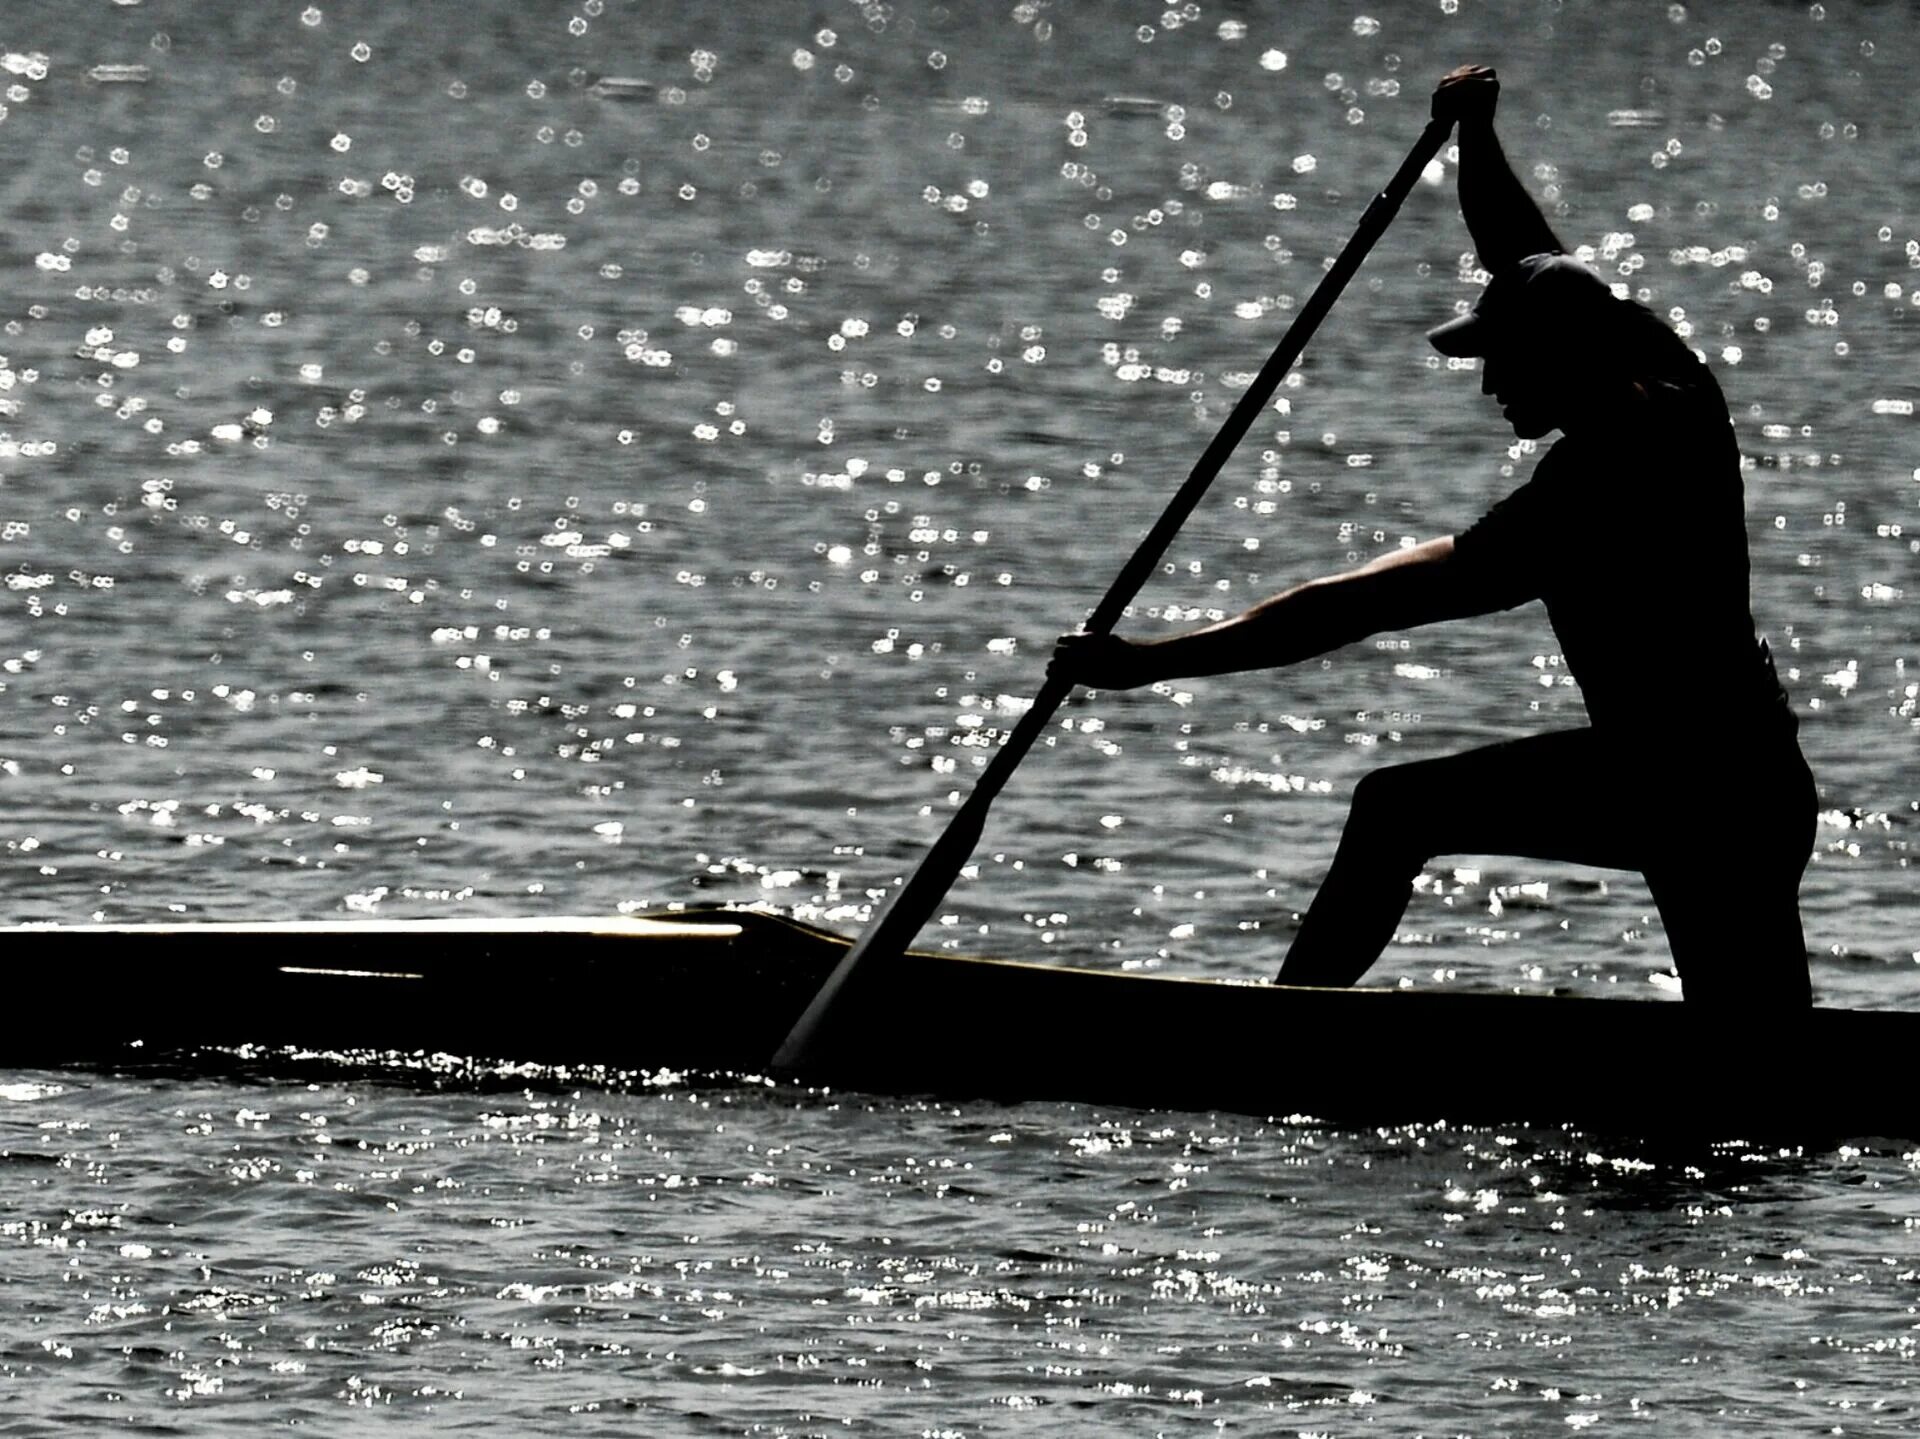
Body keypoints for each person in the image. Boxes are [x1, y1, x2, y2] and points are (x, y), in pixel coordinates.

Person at [1049, 66, 1817, 1011]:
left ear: (1562, 357)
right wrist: (1476, 136)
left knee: (1396, 808)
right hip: (1743, 785)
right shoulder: (1680, 392)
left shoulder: (1585, 493)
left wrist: (1155, 662)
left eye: (1502, 358)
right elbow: (1530, 253)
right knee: (1760, 1068)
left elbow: (1366, 603)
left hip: (1694, 795)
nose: (1489, 381)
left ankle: (1282, 1044)